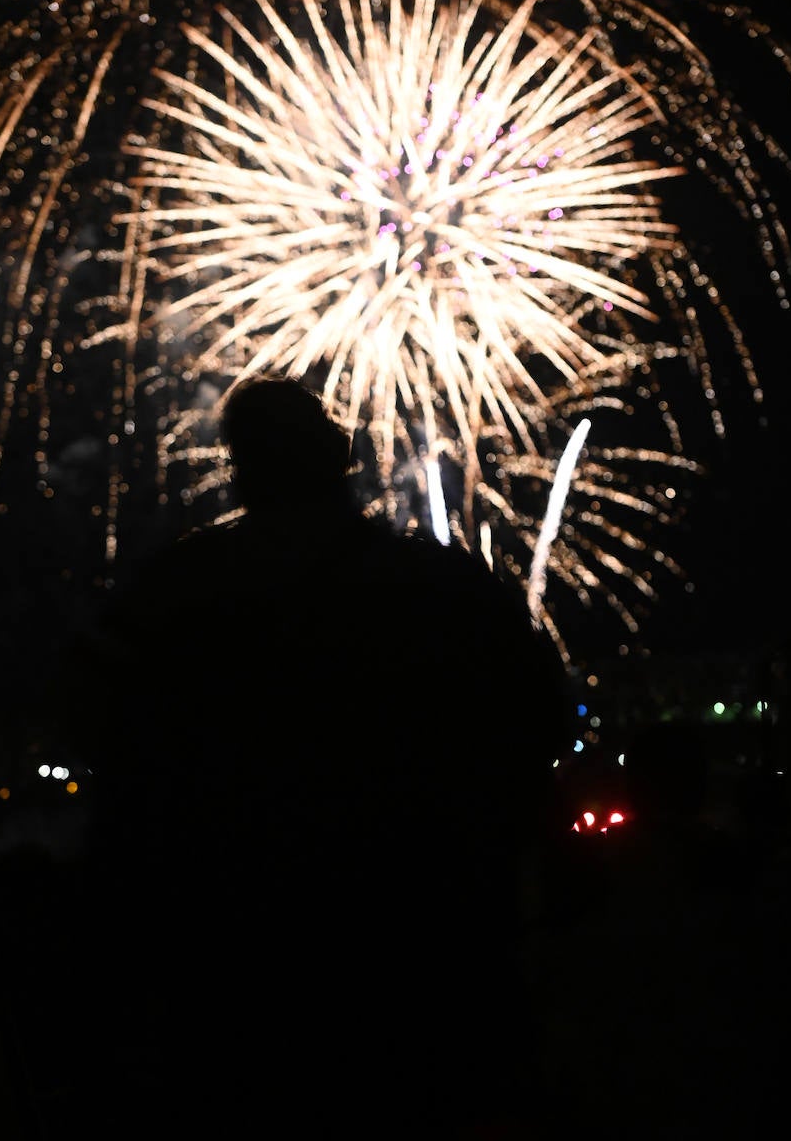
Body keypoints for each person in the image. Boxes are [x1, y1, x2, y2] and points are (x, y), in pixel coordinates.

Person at [57, 375, 573, 1139]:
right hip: (426, 965)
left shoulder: (181, 592)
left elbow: (100, 731)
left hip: (239, 978)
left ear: (240, 465)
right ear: (341, 457)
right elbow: (539, 723)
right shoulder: (443, 589)